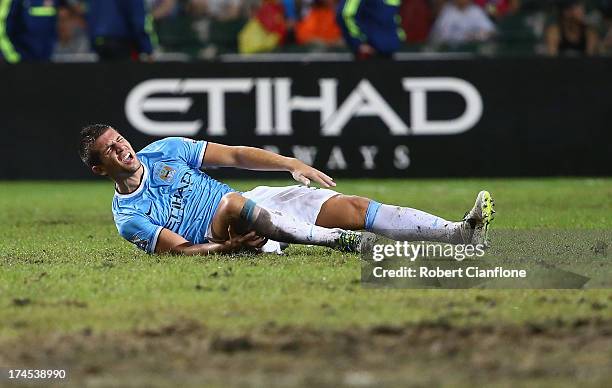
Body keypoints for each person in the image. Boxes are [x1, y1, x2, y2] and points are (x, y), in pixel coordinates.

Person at [78, 124, 495, 256]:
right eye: (110, 150)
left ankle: (459, 235)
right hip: (222, 233)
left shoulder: (164, 151)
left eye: (120, 139)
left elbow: (237, 155)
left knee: (353, 204)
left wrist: (291, 163)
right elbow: (182, 251)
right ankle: (340, 243)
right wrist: (226, 249)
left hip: (253, 202)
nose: (122, 148)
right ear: (100, 169)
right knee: (229, 203)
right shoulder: (128, 218)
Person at [86, 0, 157, 61]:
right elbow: (138, 21)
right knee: (125, 75)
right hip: (122, 44)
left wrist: (92, 44)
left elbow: (90, 17)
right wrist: (148, 49)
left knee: (105, 75)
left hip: (99, 43)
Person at [0, 0, 65, 63]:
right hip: (19, 61)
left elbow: (68, 16)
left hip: (46, 60)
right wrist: (14, 59)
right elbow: (2, 30)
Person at [336, 0, 404, 59]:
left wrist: (398, 37)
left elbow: (393, 16)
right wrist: (358, 43)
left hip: (390, 51)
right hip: (368, 54)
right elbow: (346, 14)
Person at [429, 0, 496, 45]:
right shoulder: (447, 12)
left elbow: (492, 31)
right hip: (450, 53)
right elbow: (441, 37)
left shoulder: (475, 11)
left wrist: (477, 35)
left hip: (471, 52)